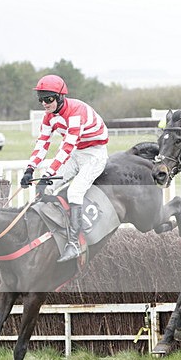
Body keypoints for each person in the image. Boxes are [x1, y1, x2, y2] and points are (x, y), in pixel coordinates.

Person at [20, 74, 109, 262]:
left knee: (75, 193)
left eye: (49, 99)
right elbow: (42, 143)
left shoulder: (76, 111)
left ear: (60, 97)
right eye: (41, 99)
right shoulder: (48, 117)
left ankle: (75, 244)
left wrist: (48, 173)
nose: (45, 103)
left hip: (94, 154)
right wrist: (30, 169)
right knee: (44, 188)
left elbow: (67, 146)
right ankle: (50, 233)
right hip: (76, 153)